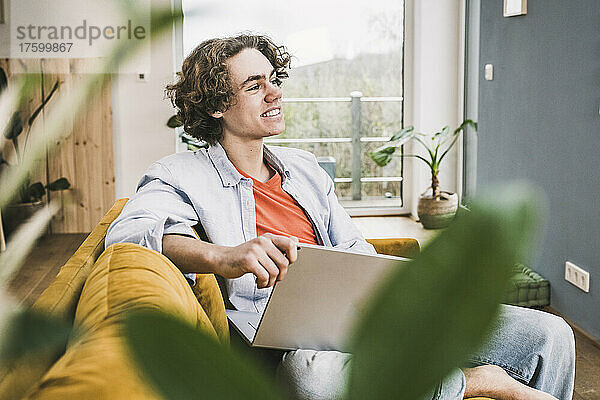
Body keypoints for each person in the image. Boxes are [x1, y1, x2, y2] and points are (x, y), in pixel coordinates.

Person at [105, 34, 575, 400]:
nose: (275, 92)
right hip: (297, 346)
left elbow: (353, 250)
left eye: (274, 78)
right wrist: (225, 256)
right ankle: (474, 382)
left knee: (548, 332)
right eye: (254, 85)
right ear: (214, 105)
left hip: (366, 316)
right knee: (313, 380)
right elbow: (128, 235)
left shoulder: (304, 168)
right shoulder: (181, 173)